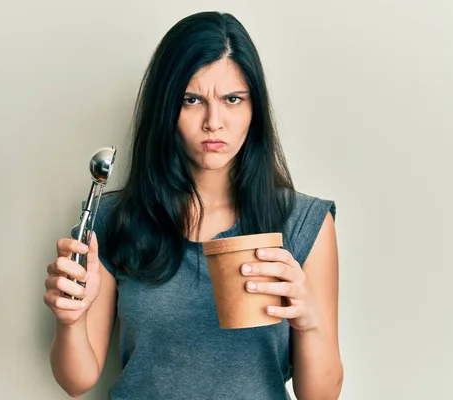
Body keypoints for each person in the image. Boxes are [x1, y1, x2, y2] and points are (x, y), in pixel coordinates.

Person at [44, 11, 343, 400]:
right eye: (191, 100)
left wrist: (309, 321)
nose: (213, 122)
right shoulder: (113, 219)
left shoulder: (304, 224)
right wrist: (70, 320)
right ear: (166, 108)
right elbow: (77, 380)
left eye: (233, 99)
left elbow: (320, 395)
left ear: (254, 109)